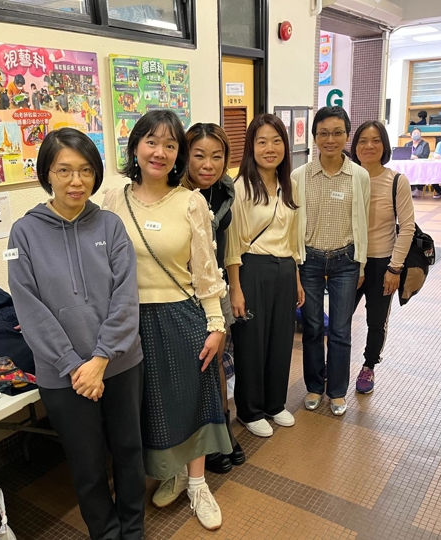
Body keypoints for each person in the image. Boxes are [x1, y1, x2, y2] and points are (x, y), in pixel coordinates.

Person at [8, 128, 145, 540]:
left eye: (86, 170)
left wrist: (100, 359)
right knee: (87, 465)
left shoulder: (111, 225)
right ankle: (106, 534)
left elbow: (126, 297)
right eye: (64, 170)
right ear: (47, 174)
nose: (76, 181)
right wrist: (73, 366)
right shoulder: (24, 232)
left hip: (119, 364)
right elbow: (29, 308)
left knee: (129, 453)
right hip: (63, 375)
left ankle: (133, 531)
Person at [102, 110, 229, 531]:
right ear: (135, 146)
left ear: (178, 155)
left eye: (170, 145)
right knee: (147, 406)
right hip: (127, 319)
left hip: (179, 314)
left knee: (190, 400)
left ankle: (197, 484)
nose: (160, 152)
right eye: (152, 142)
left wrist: (216, 325)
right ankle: (171, 470)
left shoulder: (190, 202)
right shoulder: (113, 200)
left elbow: (206, 271)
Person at [226, 114, 304, 436]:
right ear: (251, 147)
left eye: (276, 141)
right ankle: (250, 410)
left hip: (285, 270)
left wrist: (296, 279)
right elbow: (232, 243)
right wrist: (235, 288)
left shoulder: (289, 186)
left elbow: (293, 238)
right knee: (252, 343)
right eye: (261, 142)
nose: (269, 148)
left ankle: (274, 403)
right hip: (252, 270)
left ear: (285, 146)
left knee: (281, 339)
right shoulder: (240, 187)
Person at [291, 106, 370, 416]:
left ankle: (337, 392)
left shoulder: (359, 176)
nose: (330, 139)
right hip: (309, 260)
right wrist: (296, 265)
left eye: (337, 133)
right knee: (311, 328)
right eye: (323, 133)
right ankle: (314, 386)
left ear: (346, 135)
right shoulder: (300, 176)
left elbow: (362, 221)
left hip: (345, 260)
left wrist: (361, 264)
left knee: (340, 330)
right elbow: (293, 223)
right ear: (314, 137)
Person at [181, 122, 245, 473]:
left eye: (217, 156)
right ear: (185, 156)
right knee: (196, 367)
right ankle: (200, 441)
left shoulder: (224, 190)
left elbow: (229, 243)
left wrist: (235, 287)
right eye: (199, 155)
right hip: (184, 293)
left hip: (216, 288)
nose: (209, 164)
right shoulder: (175, 192)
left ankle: (223, 430)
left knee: (217, 362)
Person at [351, 121, 415, 394]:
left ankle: (369, 366)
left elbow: (407, 227)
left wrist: (394, 268)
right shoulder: (348, 177)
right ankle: (335, 363)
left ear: (384, 146)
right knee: (339, 320)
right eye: (363, 140)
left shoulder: (396, 181)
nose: (369, 146)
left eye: (375, 140)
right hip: (350, 261)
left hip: (382, 263)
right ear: (355, 147)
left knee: (376, 321)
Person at [404, 128, 430, 197]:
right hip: (409, 165)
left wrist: (416, 157)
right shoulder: (407, 144)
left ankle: (418, 189)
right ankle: (410, 188)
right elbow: (404, 154)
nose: (416, 134)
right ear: (411, 135)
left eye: (418, 133)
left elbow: (426, 155)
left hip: (420, 165)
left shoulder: (425, 144)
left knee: (418, 171)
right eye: (414, 133)